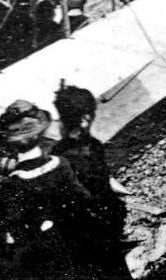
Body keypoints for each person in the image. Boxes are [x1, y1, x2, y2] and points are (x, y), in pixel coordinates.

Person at [0, 100, 96, 280]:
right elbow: (84, 199)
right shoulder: (61, 165)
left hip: (40, 256)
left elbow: (11, 229)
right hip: (71, 245)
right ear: (40, 135)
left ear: (10, 145)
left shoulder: (13, 184)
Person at [52, 86, 133, 279]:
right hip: (98, 228)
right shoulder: (92, 146)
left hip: (79, 232)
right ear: (86, 118)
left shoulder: (58, 152)